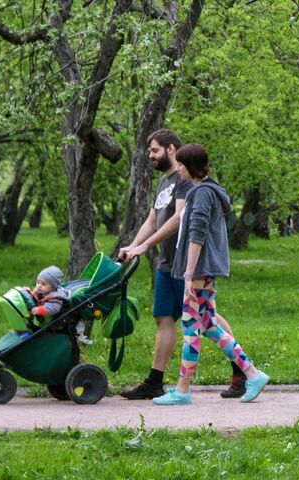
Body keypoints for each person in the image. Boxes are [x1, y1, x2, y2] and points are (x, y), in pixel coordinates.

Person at [119, 129, 247, 400]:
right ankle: (155, 381)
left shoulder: (186, 180)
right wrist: (134, 245)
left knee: (207, 319)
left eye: (154, 150)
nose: (150, 155)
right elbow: (153, 219)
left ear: (171, 149)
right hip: (167, 263)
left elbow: (179, 219)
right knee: (164, 318)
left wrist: (146, 246)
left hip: (187, 261)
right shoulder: (163, 182)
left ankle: (241, 371)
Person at [152, 143, 269, 405]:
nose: (178, 168)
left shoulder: (202, 193)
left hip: (199, 270)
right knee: (209, 326)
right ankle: (253, 373)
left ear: (190, 166)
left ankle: (183, 390)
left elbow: (197, 233)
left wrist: (188, 274)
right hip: (202, 270)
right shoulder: (204, 191)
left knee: (191, 329)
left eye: (181, 164)